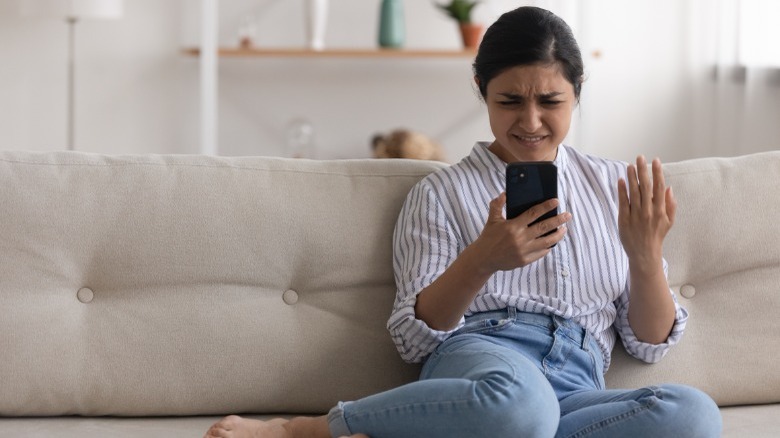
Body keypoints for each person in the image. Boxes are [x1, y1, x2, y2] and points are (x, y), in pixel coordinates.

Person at [204, 6, 722, 438]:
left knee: (694, 415)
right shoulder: (439, 194)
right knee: (520, 404)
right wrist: (483, 260)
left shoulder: (614, 188)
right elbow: (413, 339)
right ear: (481, 89)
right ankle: (309, 430)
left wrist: (645, 254)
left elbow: (648, 343)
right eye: (510, 101)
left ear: (578, 91)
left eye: (551, 101)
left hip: (578, 382)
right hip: (484, 361)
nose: (531, 121)